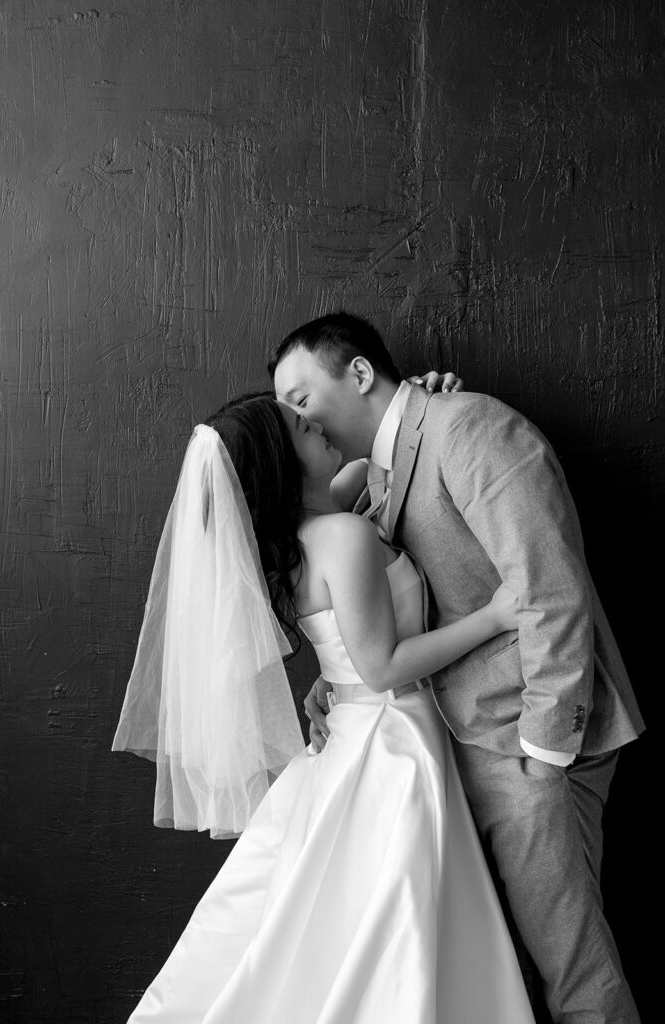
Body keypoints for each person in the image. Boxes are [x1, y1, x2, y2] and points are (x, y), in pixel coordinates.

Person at [113, 391, 536, 1023]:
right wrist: (493, 616)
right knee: (401, 914)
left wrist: (422, 403)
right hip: (391, 731)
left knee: (339, 915)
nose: (316, 424)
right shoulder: (343, 534)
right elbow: (384, 666)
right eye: (301, 428)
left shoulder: (306, 535)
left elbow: (368, 469)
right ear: (284, 466)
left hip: (350, 723)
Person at [270, 312, 645, 1024]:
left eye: (299, 397)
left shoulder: (471, 429)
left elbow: (549, 592)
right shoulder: (376, 472)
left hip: (520, 746)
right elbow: (401, 602)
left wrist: (541, 753)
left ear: (356, 374)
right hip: (446, 750)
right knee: (504, 984)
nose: (297, 419)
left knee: (571, 975)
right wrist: (336, 678)